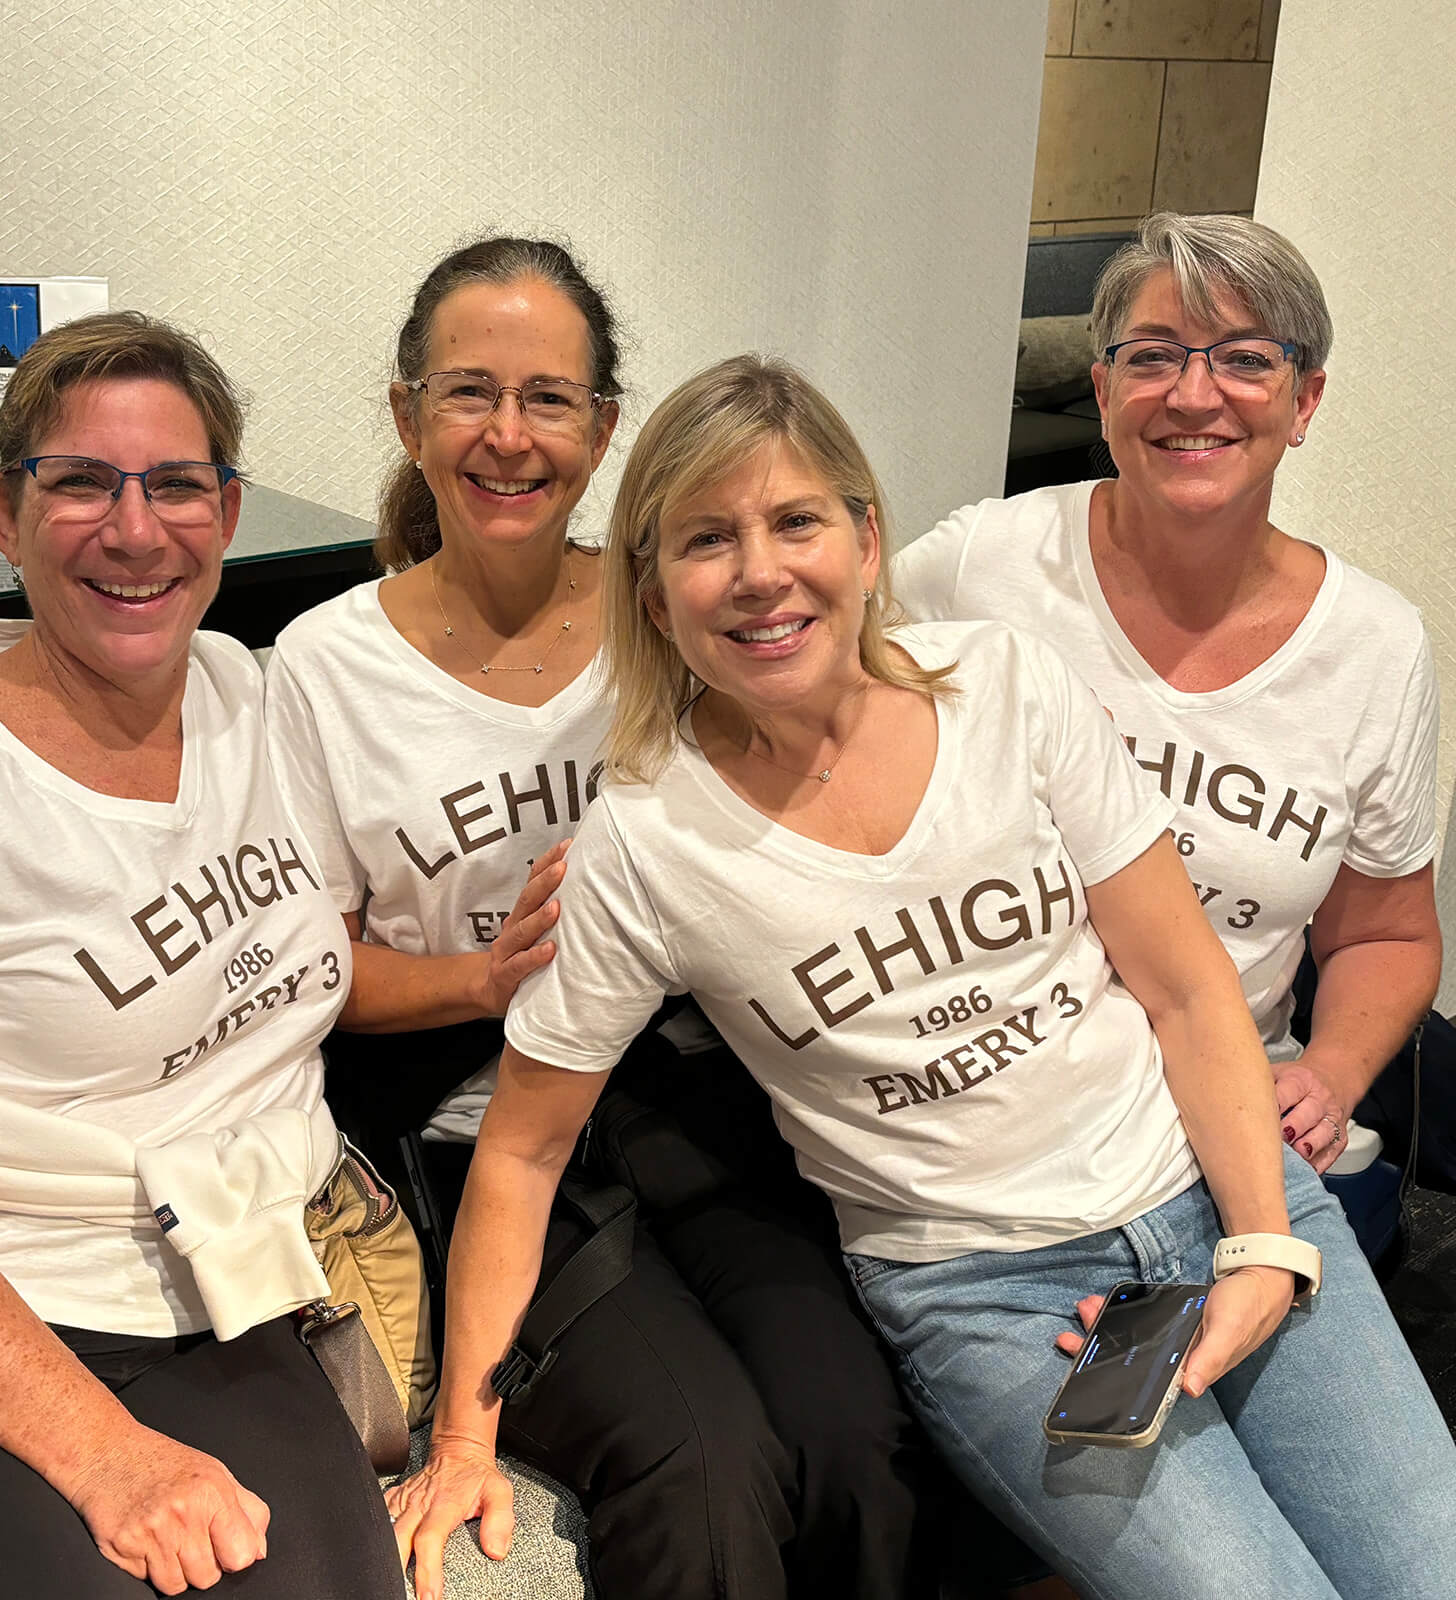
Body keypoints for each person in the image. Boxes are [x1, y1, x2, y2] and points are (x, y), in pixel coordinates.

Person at [386, 353, 1456, 1600]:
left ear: (867, 536)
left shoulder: (1008, 686)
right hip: (989, 1294)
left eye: (796, 521)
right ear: (655, 588)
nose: (760, 572)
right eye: (705, 539)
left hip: (1214, 1188)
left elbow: (1184, 986)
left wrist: (1264, 1240)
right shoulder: (647, 837)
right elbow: (520, 1150)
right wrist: (463, 1434)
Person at [265, 239, 938, 1600]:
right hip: (486, 1132)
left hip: (711, 1103)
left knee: (855, 1431)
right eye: (468, 393)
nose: (507, 436)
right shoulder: (323, 665)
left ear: (605, 432)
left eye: (550, 398)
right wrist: (479, 979)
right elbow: (305, 972)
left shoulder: (677, 610)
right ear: (408, 416)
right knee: (702, 1464)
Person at [0, 312, 403, 1599]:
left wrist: (496, 980)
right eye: (84, 482)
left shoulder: (248, 698)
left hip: (218, 1283)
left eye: (174, 484)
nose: (136, 528)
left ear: (227, 505)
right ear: (3, 508)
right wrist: (105, 1455)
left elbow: (321, 961)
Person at [893, 211, 1441, 1176]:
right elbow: (791, 683)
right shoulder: (983, 566)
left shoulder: (1377, 649)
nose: (1195, 395)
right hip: (986, 1117)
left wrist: (1331, 1074)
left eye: (1244, 357)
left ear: (1305, 401)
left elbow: (1387, 932)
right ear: (1103, 393)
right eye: (1152, 357)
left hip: (1223, 1116)